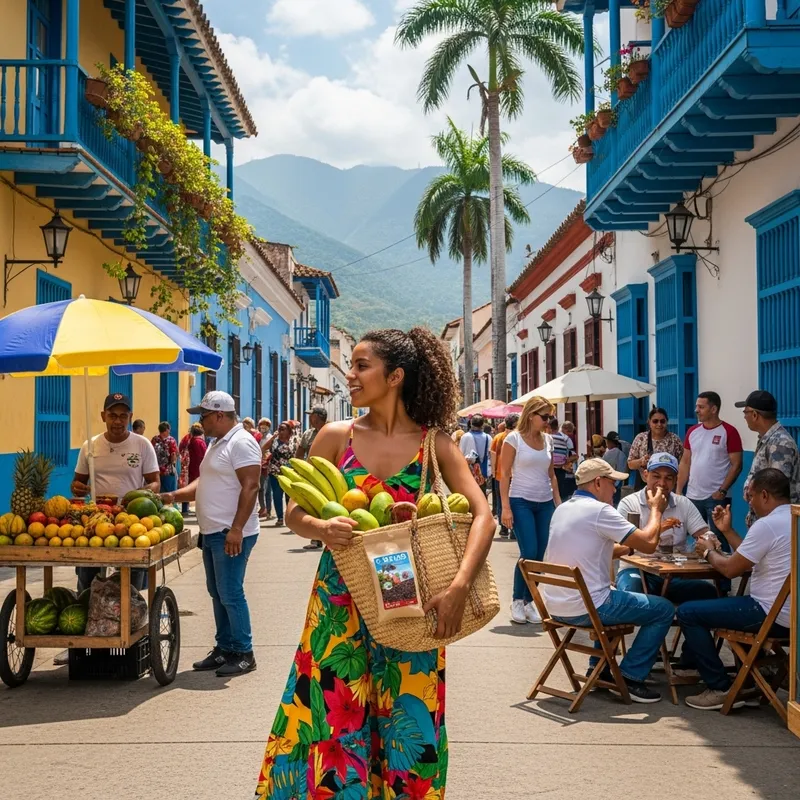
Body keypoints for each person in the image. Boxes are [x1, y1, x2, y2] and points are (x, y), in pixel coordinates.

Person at [253, 327, 495, 798]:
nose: (351, 375)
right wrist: (321, 529)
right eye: (352, 366)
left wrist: (460, 586)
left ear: (397, 376)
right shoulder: (335, 436)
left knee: (409, 713)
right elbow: (294, 512)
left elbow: (483, 515)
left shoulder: (436, 443)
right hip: (339, 595)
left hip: (413, 596)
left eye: (362, 366)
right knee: (331, 709)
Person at [542, 459, 674, 703]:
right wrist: (656, 509)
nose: (615, 489)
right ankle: (630, 676)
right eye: (612, 483)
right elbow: (647, 543)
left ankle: (598, 668)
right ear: (598, 482)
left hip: (556, 604)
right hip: (586, 607)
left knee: (613, 595)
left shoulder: (563, 508)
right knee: (664, 609)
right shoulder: (600, 511)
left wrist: (627, 548)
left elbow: (593, 551)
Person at [162, 391, 262, 677]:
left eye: (203, 416)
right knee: (217, 592)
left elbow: (251, 486)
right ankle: (225, 648)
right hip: (214, 531)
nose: (200, 421)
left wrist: (237, 529)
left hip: (230, 532)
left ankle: (244, 652)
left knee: (230, 592)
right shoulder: (218, 444)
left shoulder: (241, 443)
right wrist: (171, 496)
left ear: (219, 415)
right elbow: (203, 482)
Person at [677, 468, 792, 710]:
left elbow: (730, 569)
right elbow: (749, 557)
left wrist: (708, 551)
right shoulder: (794, 517)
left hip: (772, 614)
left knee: (688, 612)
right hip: (794, 615)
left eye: (750, 497)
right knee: (729, 607)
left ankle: (719, 687)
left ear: (764, 495)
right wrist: (727, 531)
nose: (749, 503)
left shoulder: (768, 525)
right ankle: (748, 684)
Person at [72, 394, 160, 593]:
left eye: (123, 416)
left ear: (130, 416)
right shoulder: (90, 445)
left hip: (132, 520)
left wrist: (140, 494)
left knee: (131, 582)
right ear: (103, 416)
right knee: (87, 576)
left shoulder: (142, 445)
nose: (118, 421)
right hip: (96, 520)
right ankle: (87, 608)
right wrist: (78, 487)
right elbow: (77, 482)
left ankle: (131, 615)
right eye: (112, 415)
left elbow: (155, 482)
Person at [616, 453, 717, 603]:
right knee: (632, 595)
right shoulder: (629, 504)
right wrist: (660, 524)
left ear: (675, 480)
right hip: (636, 570)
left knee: (708, 592)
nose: (662, 483)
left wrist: (710, 539)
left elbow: (703, 533)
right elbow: (617, 546)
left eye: (668, 478)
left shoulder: (683, 503)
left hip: (674, 573)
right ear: (645, 475)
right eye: (656, 476)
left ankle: (684, 622)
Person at [500, 396, 560, 625]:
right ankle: (517, 600)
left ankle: (529, 600)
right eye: (544, 417)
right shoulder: (513, 439)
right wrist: (505, 507)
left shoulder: (548, 440)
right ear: (531, 415)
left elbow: (552, 475)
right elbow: (504, 475)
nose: (548, 421)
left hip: (545, 502)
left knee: (540, 555)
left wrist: (558, 505)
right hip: (520, 500)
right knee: (529, 552)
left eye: (550, 417)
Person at [677, 391, 743, 551]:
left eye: (701, 406)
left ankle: (724, 574)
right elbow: (685, 462)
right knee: (693, 537)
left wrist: (722, 490)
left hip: (716, 497)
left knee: (719, 537)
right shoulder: (692, 431)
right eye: (696, 406)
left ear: (713, 409)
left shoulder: (729, 431)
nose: (696, 410)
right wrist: (679, 490)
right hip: (692, 496)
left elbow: (737, 464)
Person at [735, 390, 800, 526]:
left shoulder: (780, 444)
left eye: (745, 412)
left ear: (754, 415)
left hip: (775, 525)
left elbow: (776, 492)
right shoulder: (768, 440)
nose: (744, 417)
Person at [627, 407, 684, 486]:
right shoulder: (641, 438)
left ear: (667, 422)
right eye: (655, 421)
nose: (659, 424)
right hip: (645, 485)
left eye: (662, 421)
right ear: (649, 422)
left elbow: (682, 464)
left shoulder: (674, 440)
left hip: (668, 485)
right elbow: (630, 464)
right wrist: (641, 461)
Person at [264, 422, 296, 527]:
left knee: (290, 496)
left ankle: (290, 517)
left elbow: (298, 455)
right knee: (277, 495)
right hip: (275, 472)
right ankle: (280, 517)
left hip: (289, 472)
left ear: (289, 431)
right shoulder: (274, 441)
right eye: (279, 429)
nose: (281, 431)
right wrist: (273, 437)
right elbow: (263, 448)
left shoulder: (294, 441)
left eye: (283, 429)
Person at [491, 416, 516, 538]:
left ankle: (504, 528)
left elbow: (493, 455)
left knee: (502, 501)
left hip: (500, 474)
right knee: (514, 502)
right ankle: (514, 531)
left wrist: (494, 472)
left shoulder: (498, 437)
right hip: (515, 474)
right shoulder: (518, 437)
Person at [178, 423, 207, 515]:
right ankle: (199, 509)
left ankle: (185, 508)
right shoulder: (199, 442)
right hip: (198, 469)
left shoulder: (190, 440)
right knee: (199, 489)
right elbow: (202, 456)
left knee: (187, 486)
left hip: (190, 467)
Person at [460, 413, 492, 490]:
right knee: (482, 497)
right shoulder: (488, 438)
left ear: (471, 424)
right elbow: (491, 456)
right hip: (483, 473)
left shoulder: (465, 436)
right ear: (482, 425)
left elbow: (460, 454)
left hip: (467, 473)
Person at [550, 418, 577, 502]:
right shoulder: (566, 439)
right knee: (560, 491)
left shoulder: (549, 436)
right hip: (560, 468)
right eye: (569, 432)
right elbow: (573, 455)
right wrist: (566, 461)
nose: (570, 434)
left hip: (548, 467)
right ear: (564, 429)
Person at [151, 421, 179, 495]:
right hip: (168, 471)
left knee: (159, 494)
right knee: (170, 494)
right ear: (166, 430)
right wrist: (174, 463)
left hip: (156, 471)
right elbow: (173, 455)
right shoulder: (171, 440)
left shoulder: (154, 439)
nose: (169, 431)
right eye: (169, 429)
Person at [603, 431, 628, 505]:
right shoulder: (622, 454)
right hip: (619, 484)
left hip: (609, 484)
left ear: (610, 442)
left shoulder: (607, 454)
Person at [256, 418, 273, 520]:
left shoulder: (270, 438)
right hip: (259, 464)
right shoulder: (258, 438)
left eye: (265, 427)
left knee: (267, 489)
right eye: (261, 427)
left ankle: (268, 510)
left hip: (267, 465)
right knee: (260, 488)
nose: (263, 428)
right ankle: (263, 508)